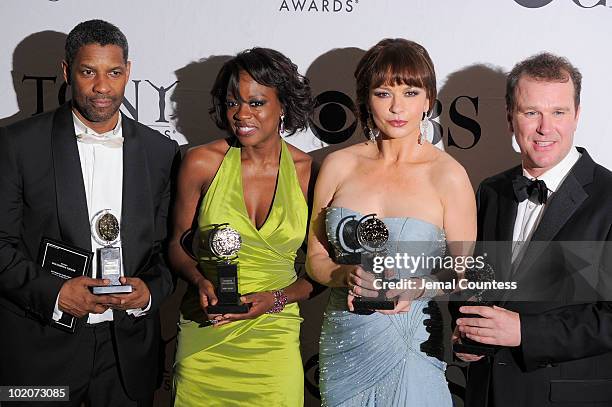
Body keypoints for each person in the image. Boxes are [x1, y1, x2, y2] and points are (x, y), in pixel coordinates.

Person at [0, 20, 179, 406]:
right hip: (40, 349)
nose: (102, 87)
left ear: (128, 72)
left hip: (127, 355)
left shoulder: (159, 152)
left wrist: (149, 292)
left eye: (114, 73)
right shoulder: (18, 145)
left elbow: (168, 251)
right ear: (67, 72)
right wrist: (56, 293)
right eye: (88, 72)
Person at [306, 38, 476, 406]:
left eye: (411, 92)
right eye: (384, 93)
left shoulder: (449, 175)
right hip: (345, 345)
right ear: (366, 99)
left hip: (410, 341)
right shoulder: (338, 165)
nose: (398, 108)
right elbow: (314, 258)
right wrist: (341, 275)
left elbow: (459, 271)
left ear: (429, 99)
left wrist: (414, 288)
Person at [455, 53, 612, 407]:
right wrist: (464, 333)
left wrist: (526, 332)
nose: (545, 128)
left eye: (558, 112)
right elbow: (473, 283)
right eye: (531, 113)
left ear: (577, 115)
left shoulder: (608, 196)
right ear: (510, 117)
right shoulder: (490, 191)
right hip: (487, 393)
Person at [169, 47, 316, 406]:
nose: (242, 114)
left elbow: (319, 273)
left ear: (283, 106)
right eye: (233, 102)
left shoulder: (309, 172)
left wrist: (275, 299)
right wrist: (200, 280)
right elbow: (175, 245)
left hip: (274, 341)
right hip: (205, 338)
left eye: (256, 103)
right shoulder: (201, 162)